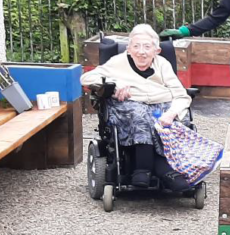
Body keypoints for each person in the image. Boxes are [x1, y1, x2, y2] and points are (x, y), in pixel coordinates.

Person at [80, 24, 191, 191]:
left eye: (147, 47)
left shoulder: (163, 65)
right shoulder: (118, 63)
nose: (141, 52)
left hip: (161, 106)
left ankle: (152, 170)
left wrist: (171, 113)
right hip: (129, 108)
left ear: (156, 50)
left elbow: (181, 95)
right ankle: (150, 169)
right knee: (140, 114)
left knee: (170, 119)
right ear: (129, 49)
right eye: (136, 46)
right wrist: (114, 85)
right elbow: (87, 78)